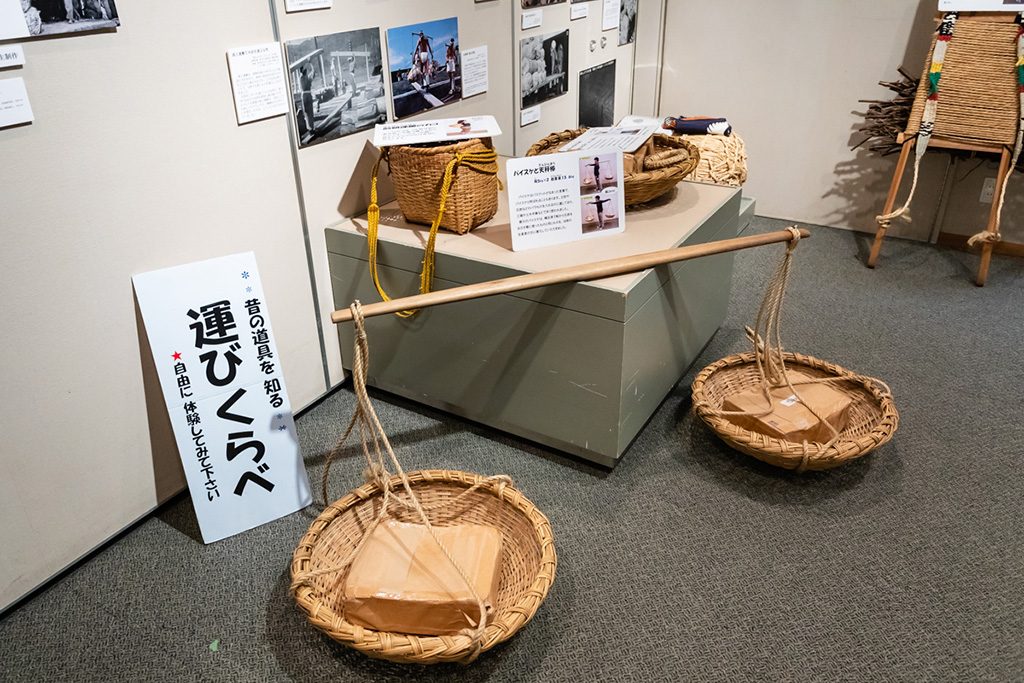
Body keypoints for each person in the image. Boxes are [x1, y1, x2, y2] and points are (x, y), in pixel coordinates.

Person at [299, 63, 315, 134]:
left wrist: (308, 64)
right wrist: (310, 63)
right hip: (308, 95)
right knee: (310, 112)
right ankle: (311, 128)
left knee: (307, 113)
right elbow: (313, 71)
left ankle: (310, 128)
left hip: (305, 95)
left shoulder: (302, 78)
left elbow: (311, 72)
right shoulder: (307, 78)